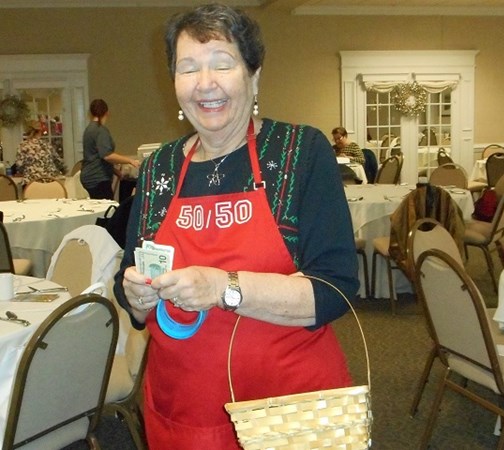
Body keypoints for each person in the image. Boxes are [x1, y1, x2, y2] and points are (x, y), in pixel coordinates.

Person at [113, 4, 359, 448]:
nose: (204, 83)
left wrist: (223, 287)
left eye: (222, 64)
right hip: (184, 409)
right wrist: (135, 295)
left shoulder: (299, 151)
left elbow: (334, 288)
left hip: (289, 408)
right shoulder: (159, 167)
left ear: (253, 75)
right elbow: (129, 278)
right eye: (188, 68)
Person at [80, 99, 140, 199]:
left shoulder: (89, 129)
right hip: (97, 178)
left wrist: (116, 172)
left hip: (89, 176)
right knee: (106, 206)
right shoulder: (100, 130)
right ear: (106, 112)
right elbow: (107, 155)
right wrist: (130, 161)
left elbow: (96, 157)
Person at [15, 119, 67, 185]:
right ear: (40, 131)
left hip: (31, 184)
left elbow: (19, 166)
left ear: (26, 132)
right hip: (50, 182)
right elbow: (58, 162)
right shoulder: (46, 145)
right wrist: (63, 171)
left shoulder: (23, 146)